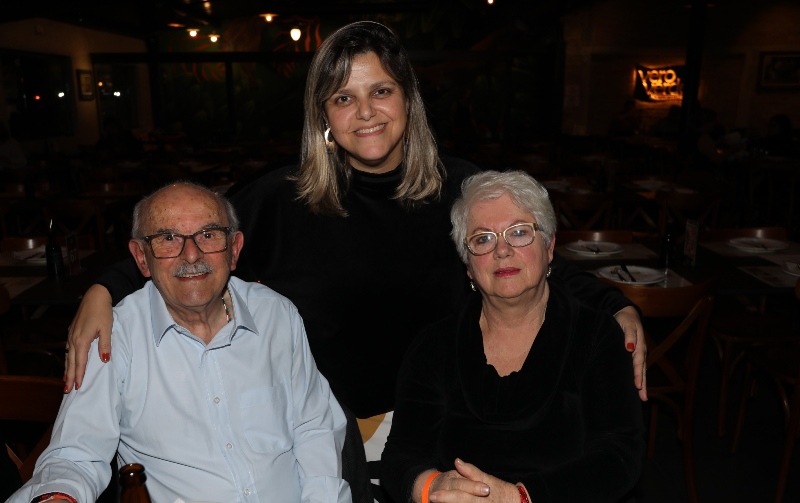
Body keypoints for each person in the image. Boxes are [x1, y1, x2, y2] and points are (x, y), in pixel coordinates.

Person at [64, 22, 646, 502]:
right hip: (329, 437)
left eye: (381, 91)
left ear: (408, 101)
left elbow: (527, 259)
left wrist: (614, 305)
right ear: (324, 115)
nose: (365, 112)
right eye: (344, 97)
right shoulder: (280, 199)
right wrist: (103, 290)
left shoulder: (461, 187)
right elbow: (185, 241)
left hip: (446, 428)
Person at [8, 182, 350, 503]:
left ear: (234, 250)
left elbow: (314, 429)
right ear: (142, 258)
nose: (190, 255)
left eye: (209, 234)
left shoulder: (276, 314)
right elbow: (76, 454)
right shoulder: (117, 335)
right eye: (168, 238)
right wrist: (59, 496)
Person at [381, 170, 644, 503]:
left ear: (549, 248)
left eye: (519, 233)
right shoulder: (435, 346)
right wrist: (432, 487)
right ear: (467, 265)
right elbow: (401, 457)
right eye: (483, 238)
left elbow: (619, 458)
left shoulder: (596, 336)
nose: (502, 250)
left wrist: (520, 497)